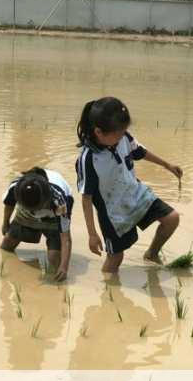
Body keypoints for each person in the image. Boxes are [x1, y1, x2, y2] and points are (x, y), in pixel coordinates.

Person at [75, 97, 182, 273]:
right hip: (113, 212)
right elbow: (86, 198)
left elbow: (140, 152)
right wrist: (92, 234)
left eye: (124, 131)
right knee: (116, 257)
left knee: (172, 218)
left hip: (135, 194)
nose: (122, 136)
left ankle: (151, 254)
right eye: (117, 134)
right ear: (99, 132)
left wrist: (167, 165)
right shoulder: (88, 160)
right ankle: (109, 292)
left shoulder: (123, 136)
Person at [0, 167, 73, 282]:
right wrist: (5, 224)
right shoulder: (16, 187)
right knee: (6, 245)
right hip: (26, 213)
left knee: (54, 260)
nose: (35, 211)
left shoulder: (60, 201)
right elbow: (9, 204)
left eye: (37, 208)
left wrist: (64, 267)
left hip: (52, 216)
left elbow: (66, 237)